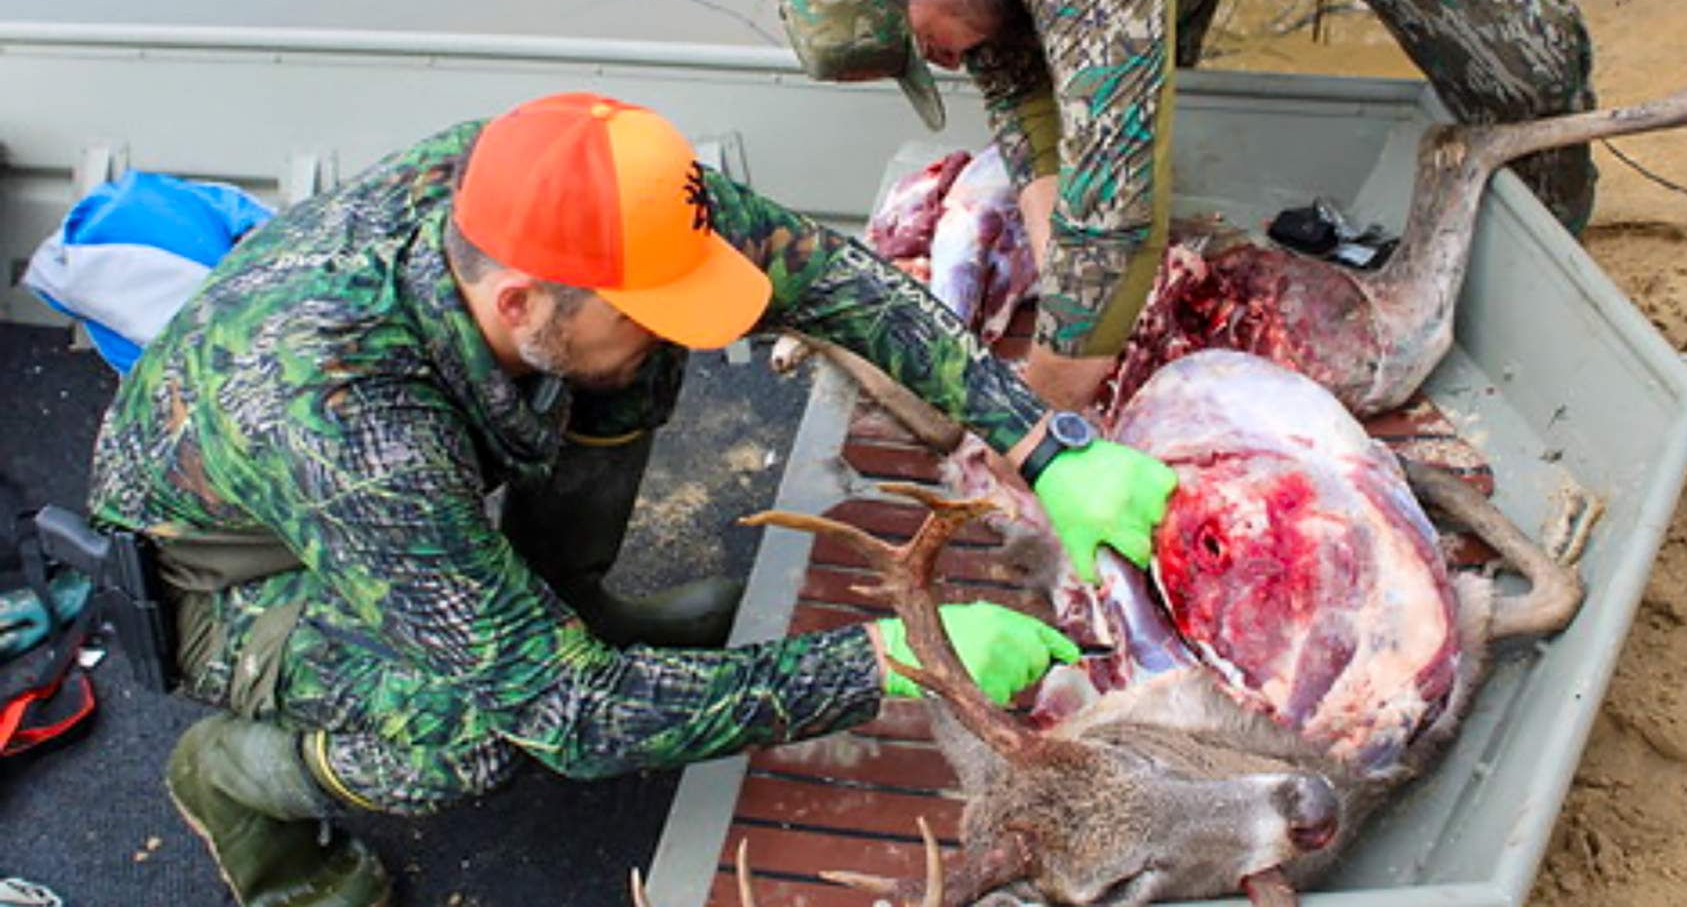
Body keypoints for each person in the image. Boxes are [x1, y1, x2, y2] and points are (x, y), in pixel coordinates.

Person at [86, 93, 1177, 906]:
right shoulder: (351, 424)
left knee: (630, 364)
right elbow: (573, 717)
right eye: (639, 302)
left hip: (398, 479)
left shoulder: (549, 187)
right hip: (228, 578)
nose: (676, 320)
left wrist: (1044, 442)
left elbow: (819, 276)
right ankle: (233, 779)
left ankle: (572, 606)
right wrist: (894, 658)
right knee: (473, 731)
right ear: (517, 300)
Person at [772, 0, 1596, 411]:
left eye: (930, 45)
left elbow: (1116, 203)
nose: (949, 63)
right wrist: (1069, 257)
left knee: (1527, 69)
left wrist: (1033, 432)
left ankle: (1553, 287)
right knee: (1123, 165)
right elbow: (1014, 72)